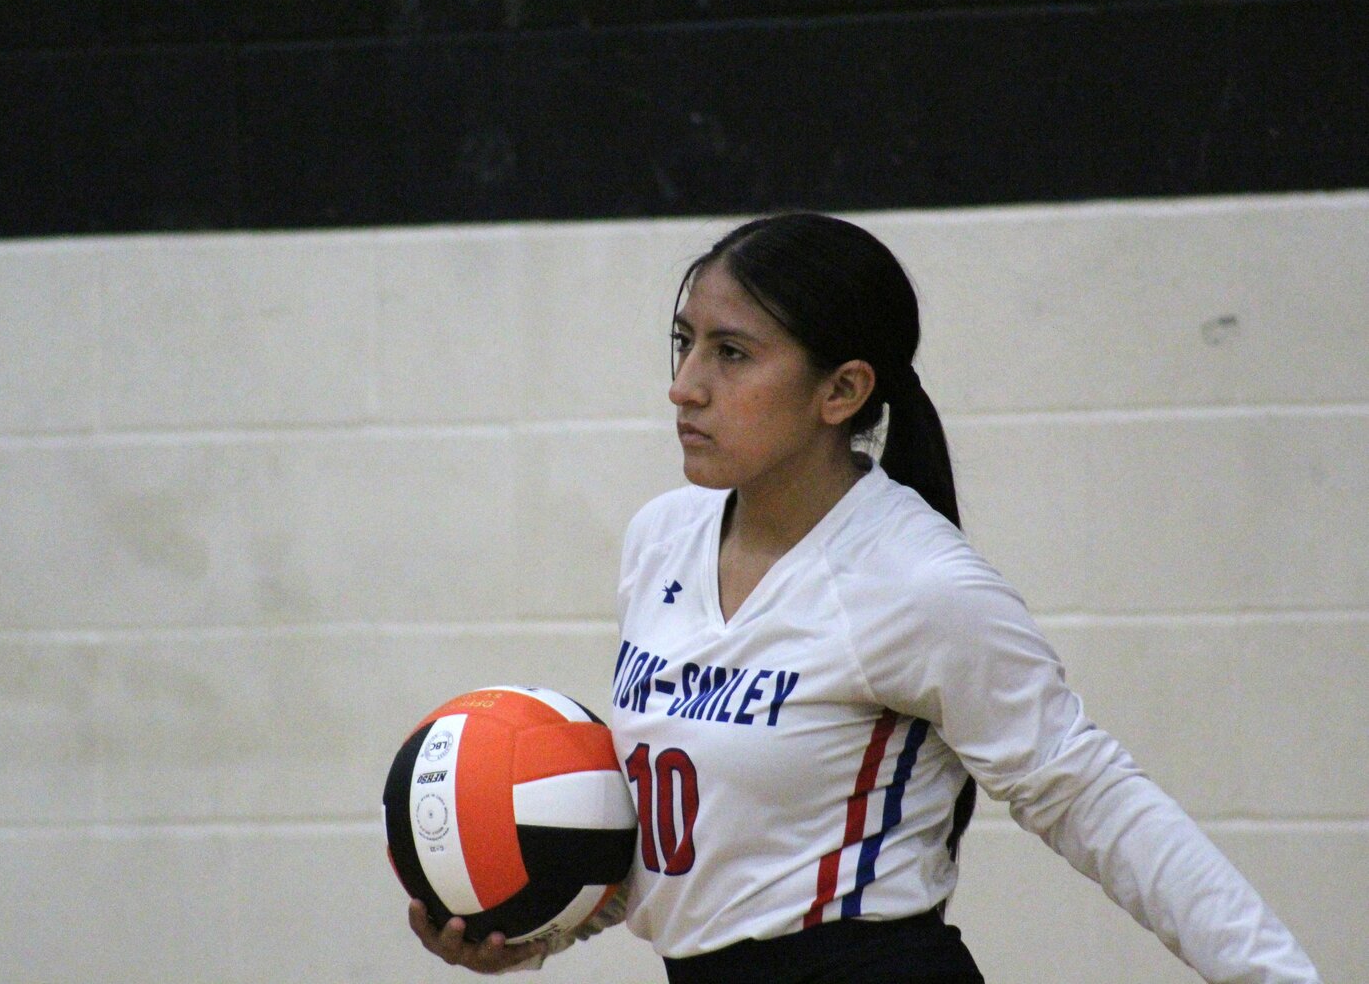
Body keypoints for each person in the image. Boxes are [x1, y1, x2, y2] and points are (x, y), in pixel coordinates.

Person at [410, 213, 1322, 982]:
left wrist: (1278, 977)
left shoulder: (917, 583)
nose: (685, 386)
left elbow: (1090, 797)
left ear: (842, 390)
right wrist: (542, 928)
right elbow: (718, 847)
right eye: (685, 342)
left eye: (731, 354)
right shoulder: (661, 537)